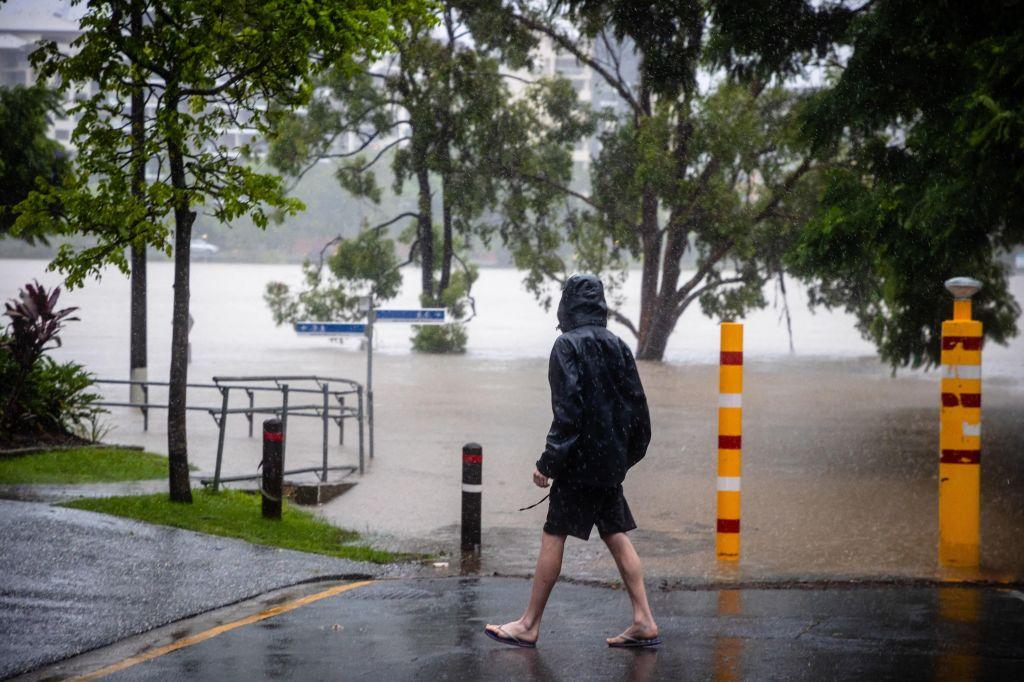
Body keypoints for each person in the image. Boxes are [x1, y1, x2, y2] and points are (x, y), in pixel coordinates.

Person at [485, 274, 659, 649]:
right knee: (616, 534)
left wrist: (548, 464)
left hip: (580, 464)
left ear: (566, 305)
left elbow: (569, 413)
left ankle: (529, 624)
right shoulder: (619, 346)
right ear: (600, 306)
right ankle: (643, 619)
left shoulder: (566, 346)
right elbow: (639, 415)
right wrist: (622, 459)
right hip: (609, 462)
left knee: (554, 534)